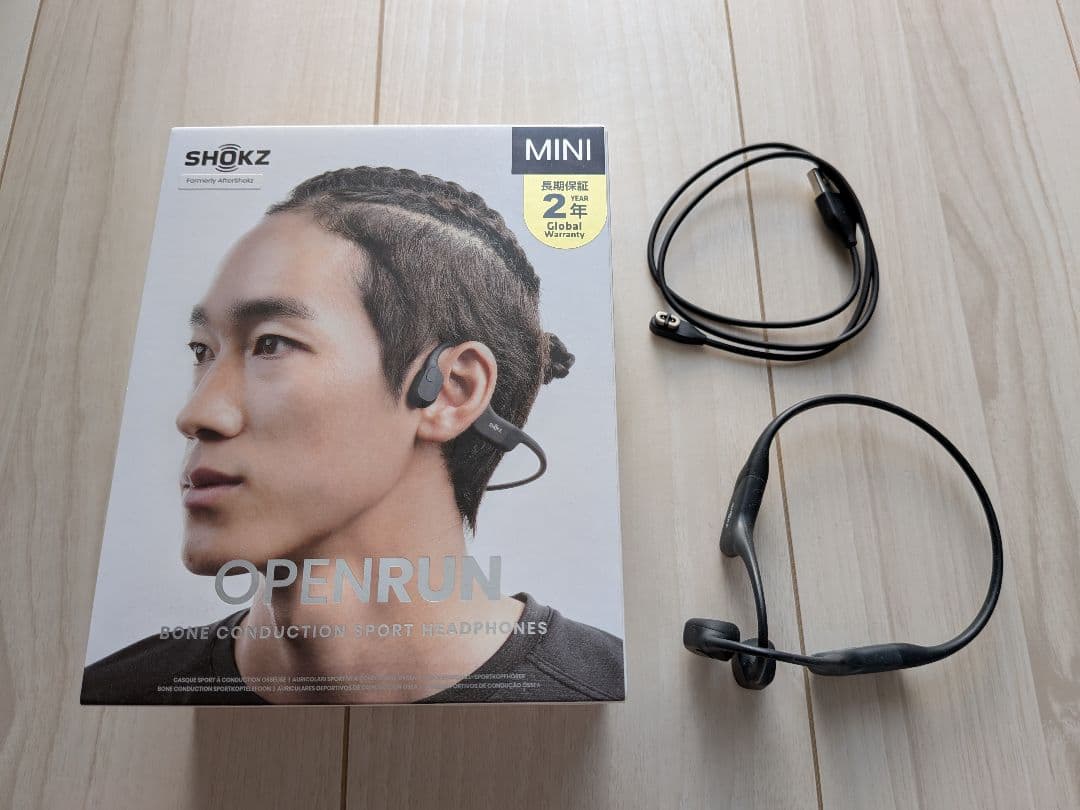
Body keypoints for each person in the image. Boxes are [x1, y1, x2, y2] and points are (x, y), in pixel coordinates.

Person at [81, 167, 624, 704]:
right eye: (203, 351)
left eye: (271, 344)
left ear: (449, 391)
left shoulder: (599, 692)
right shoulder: (121, 693)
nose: (196, 414)